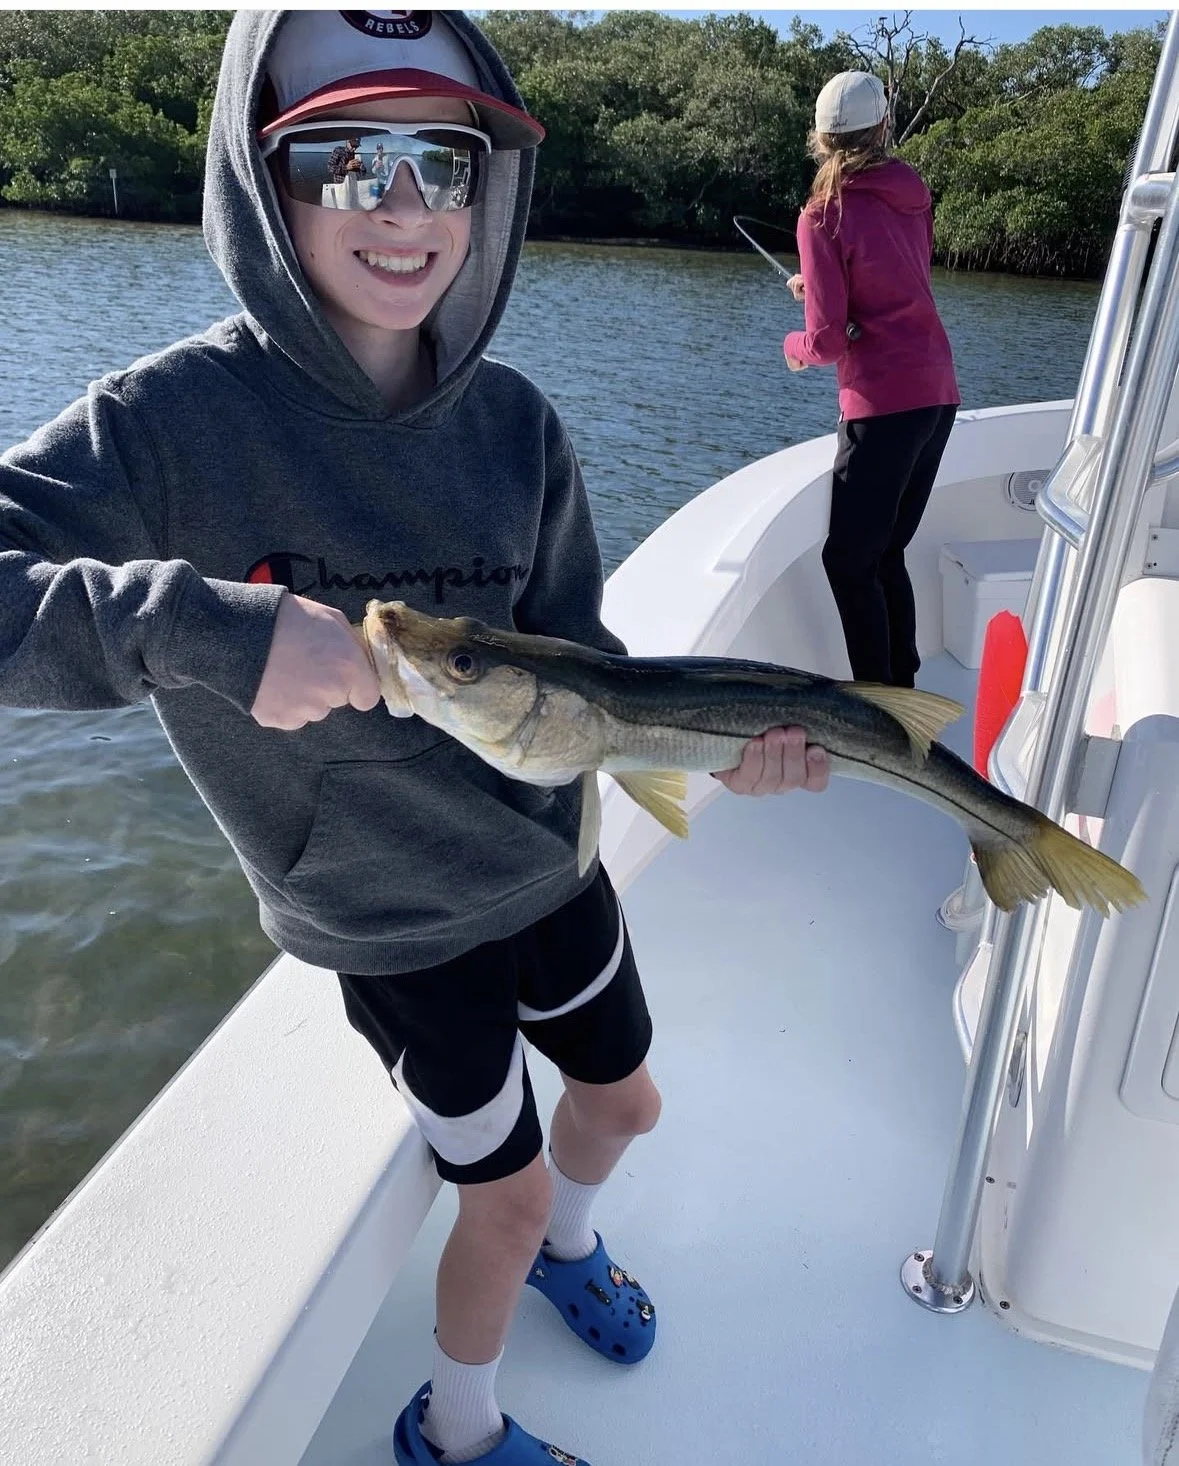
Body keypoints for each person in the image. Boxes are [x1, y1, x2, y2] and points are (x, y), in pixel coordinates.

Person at [0, 11, 829, 1464]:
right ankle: (455, 1423)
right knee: (500, 1196)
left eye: (441, 162)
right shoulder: (164, 425)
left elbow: (589, 666)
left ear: (485, 189)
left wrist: (720, 748)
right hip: (390, 920)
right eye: (346, 159)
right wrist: (216, 633)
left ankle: (573, 1252)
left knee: (625, 1102)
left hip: (550, 868)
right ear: (261, 180)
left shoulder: (518, 428)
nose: (400, 207)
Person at [783, 70, 960, 689]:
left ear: (820, 137)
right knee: (885, 554)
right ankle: (904, 701)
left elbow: (827, 342)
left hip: (882, 404)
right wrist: (816, 287)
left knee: (848, 561)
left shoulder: (821, 215)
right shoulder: (914, 194)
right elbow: (899, 281)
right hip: (937, 394)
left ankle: (879, 711)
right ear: (883, 127)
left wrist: (794, 346)